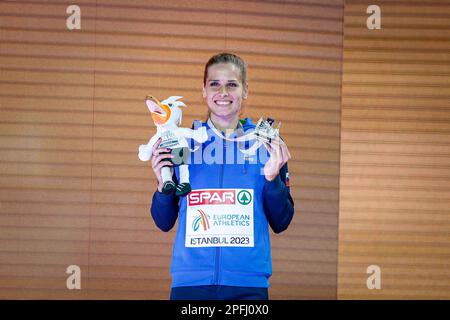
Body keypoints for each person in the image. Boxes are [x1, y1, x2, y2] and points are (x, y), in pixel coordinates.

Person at [149, 53, 295, 300]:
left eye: (232, 84)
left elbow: (281, 221)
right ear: (204, 91)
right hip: (190, 286)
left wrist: (272, 180)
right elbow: (163, 222)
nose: (223, 92)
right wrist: (164, 188)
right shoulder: (182, 143)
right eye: (214, 84)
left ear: (245, 90)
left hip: (247, 287)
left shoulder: (266, 144)